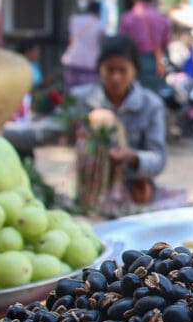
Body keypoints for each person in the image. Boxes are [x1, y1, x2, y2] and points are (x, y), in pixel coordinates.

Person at [71, 35, 167, 202]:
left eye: (122, 70)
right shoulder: (80, 99)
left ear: (135, 70)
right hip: (89, 195)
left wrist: (133, 157)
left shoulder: (151, 105)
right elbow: (48, 131)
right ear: (100, 68)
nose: (116, 77)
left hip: (135, 193)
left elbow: (159, 159)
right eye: (110, 70)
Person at [119, 0, 171, 90]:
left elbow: (122, 43)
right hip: (156, 61)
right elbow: (166, 42)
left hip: (134, 62)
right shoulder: (161, 18)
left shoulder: (128, 18)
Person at [61, 0, 104, 89]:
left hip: (73, 61)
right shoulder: (99, 25)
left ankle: (69, 103)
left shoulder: (74, 20)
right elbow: (102, 43)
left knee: (70, 94)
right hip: (90, 65)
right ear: (98, 11)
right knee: (88, 94)